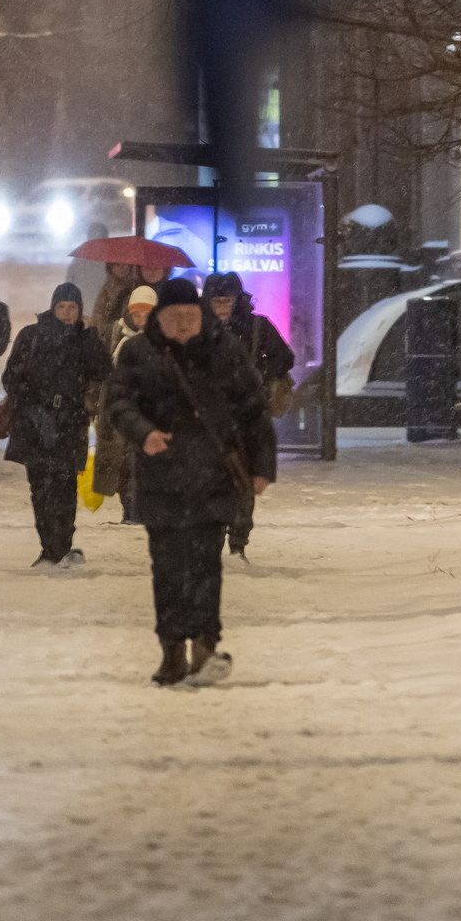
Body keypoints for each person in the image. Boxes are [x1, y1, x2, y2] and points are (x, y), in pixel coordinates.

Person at [106, 278, 276, 688]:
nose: (183, 326)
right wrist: (142, 431)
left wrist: (261, 467)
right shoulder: (137, 353)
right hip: (161, 479)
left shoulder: (225, 351)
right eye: (173, 318)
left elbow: (254, 409)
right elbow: (117, 402)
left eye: (189, 317)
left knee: (205, 565)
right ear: (158, 320)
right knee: (166, 568)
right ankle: (171, 651)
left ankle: (204, 644)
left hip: (212, 476)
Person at [2, 282, 112, 567]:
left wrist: (89, 336)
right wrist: (34, 403)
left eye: (71, 308)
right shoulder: (32, 335)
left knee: (64, 487)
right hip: (34, 423)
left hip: (70, 422)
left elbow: (102, 370)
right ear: (53, 308)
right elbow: (11, 377)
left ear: (79, 311)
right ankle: (48, 548)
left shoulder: (83, 338)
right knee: (40, 488)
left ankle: (61, 547)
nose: (66, 313)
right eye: (61, 307)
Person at [201, 271, 295, 557]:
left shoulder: (256, 327)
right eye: (217, 301)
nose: (222, 307)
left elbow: (285, 357)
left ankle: (238, 543)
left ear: (237, 299)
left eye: (227, 300)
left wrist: (257, 373)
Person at [91, 284, 156, 520]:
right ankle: (129, 508)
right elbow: (102, 369)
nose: (140, 320)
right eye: (136, 314)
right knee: (120, 460)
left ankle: (139, 508)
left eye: (146, 314)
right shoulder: (115, 334)